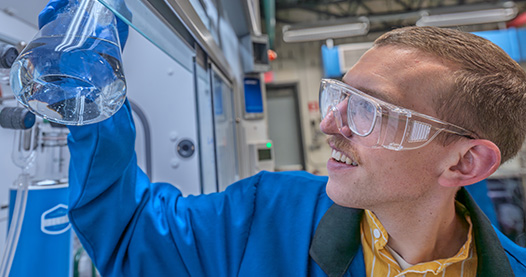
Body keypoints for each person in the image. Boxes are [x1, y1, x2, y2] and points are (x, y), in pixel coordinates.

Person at [39, 1, 526, 276]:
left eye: (368, 110)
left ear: (465, 164)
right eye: (338, 96)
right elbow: (131, 237)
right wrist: (94, 104)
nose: (329, 124)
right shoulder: (265, 214)